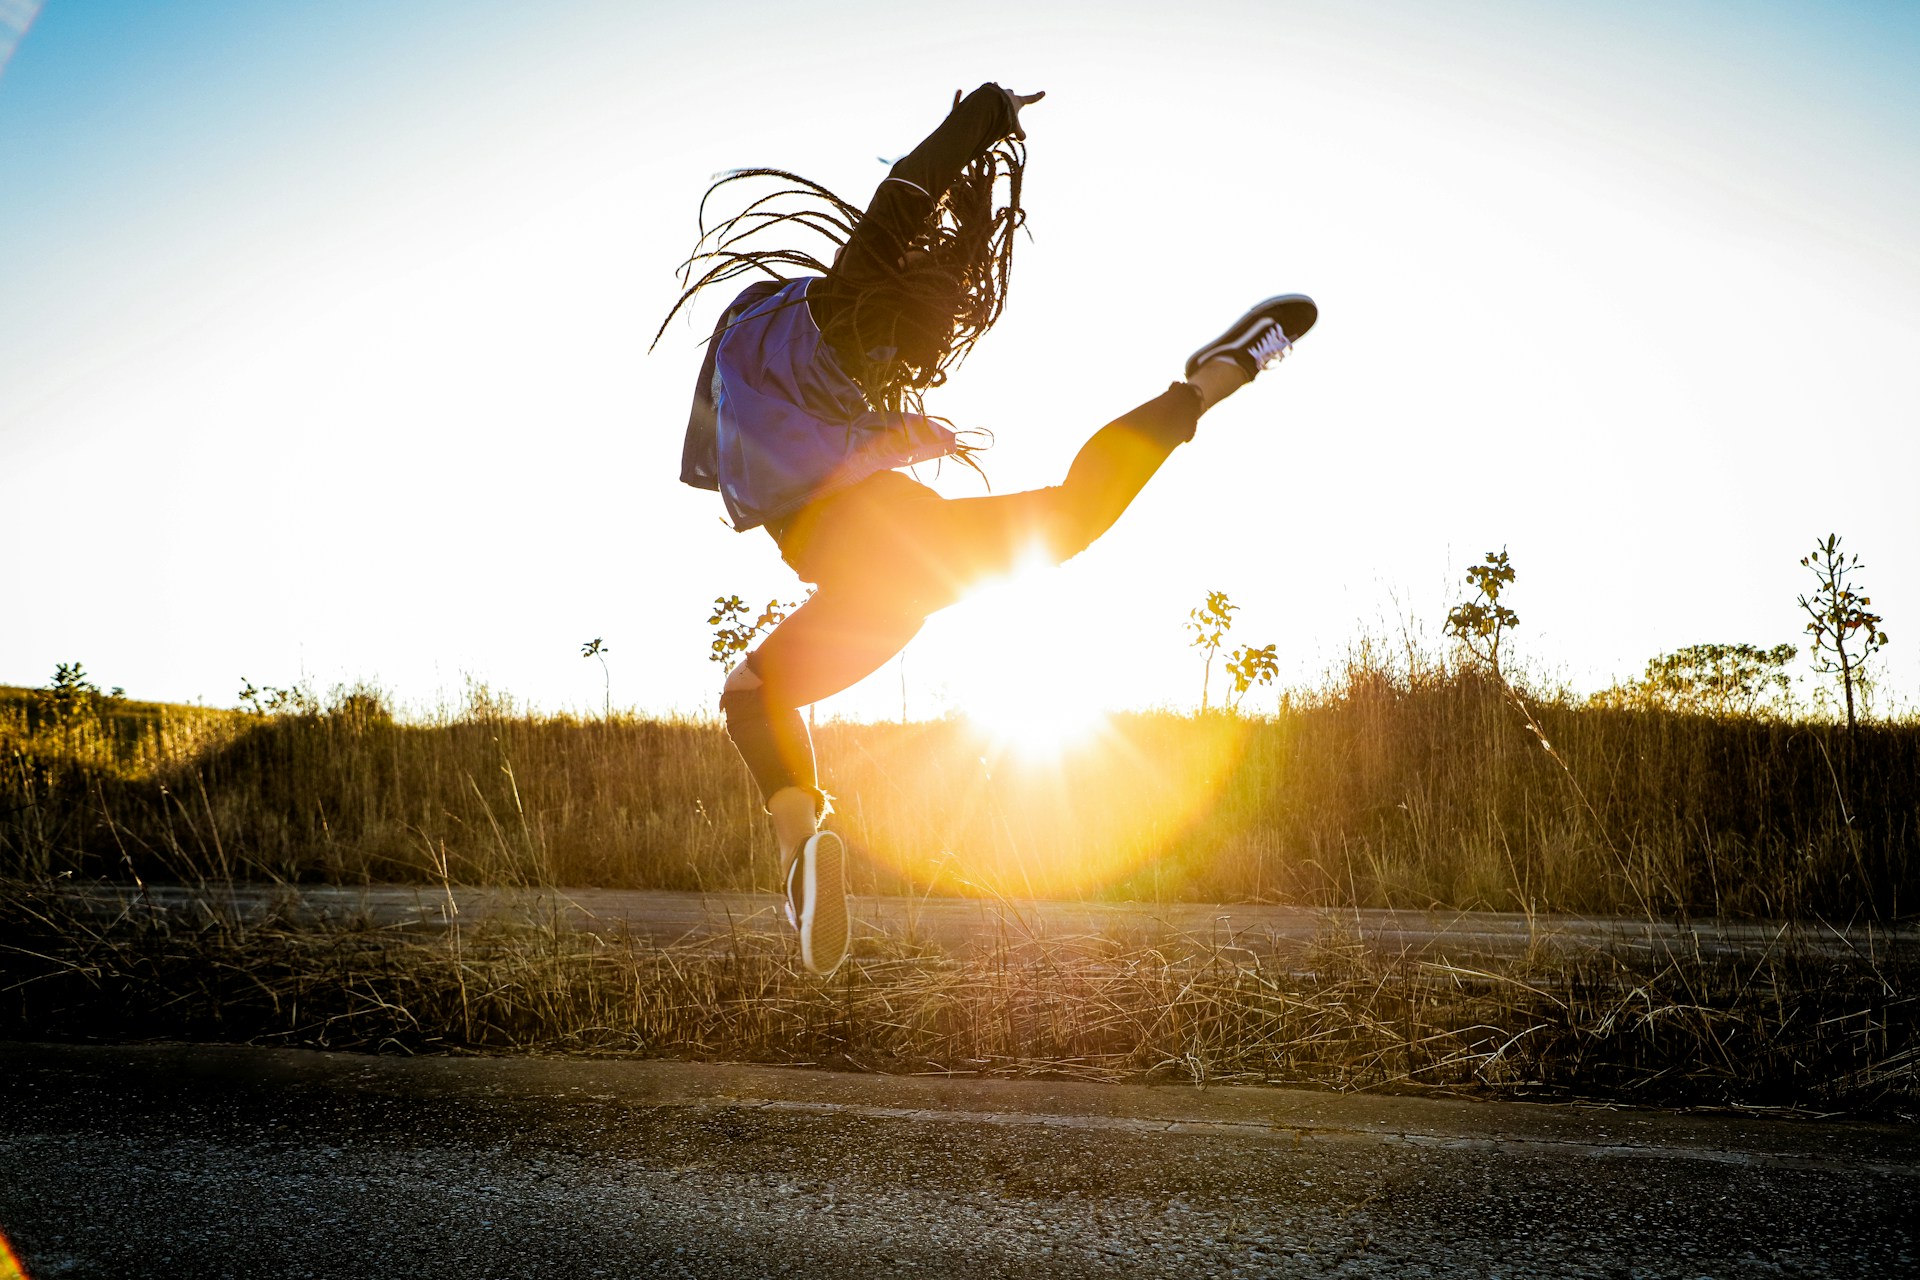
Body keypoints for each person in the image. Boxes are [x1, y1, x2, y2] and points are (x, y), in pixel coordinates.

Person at [661, 84, 1315, 976]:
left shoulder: (778, 357)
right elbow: (907, 194)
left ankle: (802, 840)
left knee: (750, 694)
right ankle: (1206, 384)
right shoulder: (837, 320)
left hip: (872, 576)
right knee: (1072, 514)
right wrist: (984, 119)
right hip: (902, 567)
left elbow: (903, 202)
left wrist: (983, 121)